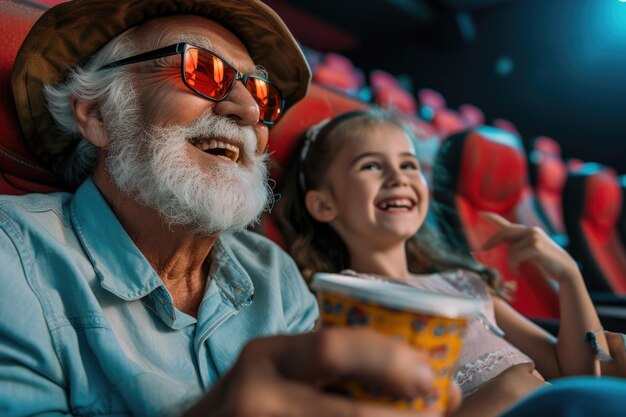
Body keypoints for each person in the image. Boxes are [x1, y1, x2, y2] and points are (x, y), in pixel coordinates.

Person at [0, 1, 461, 416]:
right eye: (200, 68)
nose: (247, 109)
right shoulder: (12, 258)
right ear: (98, 115)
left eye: (263, 95)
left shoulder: (274, 275)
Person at [274, 109, 622, 417]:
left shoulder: (465, 284)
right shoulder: (346, 303)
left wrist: (569, 275)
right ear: (323, 205)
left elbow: (574, 370)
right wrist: (508, 391)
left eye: (409, 164)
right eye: (371, 166)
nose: (399, 178)